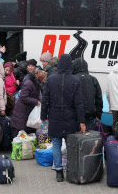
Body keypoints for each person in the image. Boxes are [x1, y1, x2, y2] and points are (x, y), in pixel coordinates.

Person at [41, 54, 85, 182]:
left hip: (54, 116)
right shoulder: (75, 80)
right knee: (70, 145)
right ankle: (71, 170)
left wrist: (44, 116)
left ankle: (59, 172)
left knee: (56, 144)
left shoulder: (51, 79)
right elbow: (79, 103)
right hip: (70, 117)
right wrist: (81, 121)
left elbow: (45, 100)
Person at [10, 69, 47, 137]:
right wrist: (36, 101)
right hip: (22, 112)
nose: (44, 81)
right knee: (19, 134)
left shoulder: (36, 83)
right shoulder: (29, 83)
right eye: (44, 78)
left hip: (27, 111)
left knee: (26, 135)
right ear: (39, 77)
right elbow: (23, 97)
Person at [72, 58, 102, 130]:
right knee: (87, 138)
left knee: (74, 138)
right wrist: (98, 114)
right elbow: (98, 98)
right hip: (90, 114)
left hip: (75, 114)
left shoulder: (73, 79)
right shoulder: (93, 79)